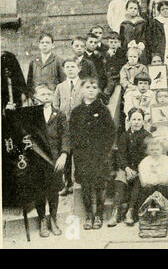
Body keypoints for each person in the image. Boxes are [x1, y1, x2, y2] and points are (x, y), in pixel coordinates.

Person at [69, 77, 115, 230]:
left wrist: (104, 151)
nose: (90, 90)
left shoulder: (103, 110)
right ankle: (89, 215)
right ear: (82, 90)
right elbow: (72, 133)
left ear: (98, 91)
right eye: (88, 87)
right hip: (82, 155)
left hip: (99, 155)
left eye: (94, 87)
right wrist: (78, 150)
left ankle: (99, 216)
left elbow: (110, 132)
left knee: (100, 185)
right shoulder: (76, 111)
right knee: (86, 185)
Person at [33, 84, 70, 237]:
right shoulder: (31, 115)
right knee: (39, 190)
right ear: (35, 97)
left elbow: (66, 136)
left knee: (53, 190)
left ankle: (53, 219)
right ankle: (42, 219)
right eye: (42, 94)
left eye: (48, 94)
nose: (46, 96)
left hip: (55, 158)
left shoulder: (59, 114)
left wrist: (64, 154)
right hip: (37, 158)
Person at [107, 108, 151, 227]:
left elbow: (146, 157)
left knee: (138, 183)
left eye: (139, 119)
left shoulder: (147, 136)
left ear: (143, 121)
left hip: (140, 170)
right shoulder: (124, 136)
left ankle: (130, 212)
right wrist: (126, 168)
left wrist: (137, 170)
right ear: (129, 121)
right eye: (134, 119)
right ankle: (116, 212)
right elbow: (120, 154)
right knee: (120, 180)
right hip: (126, 168)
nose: (136, 122)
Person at [53, 58, 84, 196]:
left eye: (73, 66)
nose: (70, 69)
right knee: (66, 154)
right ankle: (67, 184)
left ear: (79, 68)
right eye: (68, 67)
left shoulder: (85, 85)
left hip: (80, 126)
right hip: (64, 127)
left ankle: (79, 183)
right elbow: (55, 106)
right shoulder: (60, 87)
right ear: (64, 70)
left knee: (79, 155)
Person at [135, 136, 168, 211]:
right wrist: (152, 181)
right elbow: (144, 178)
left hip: (163, 185)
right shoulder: (145, 162)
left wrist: (157, 174)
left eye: (157, 149)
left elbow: (167, 176)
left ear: (162, 149)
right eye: (152, 150)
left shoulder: (166, 160)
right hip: (149, 185)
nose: (155, 151)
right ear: (147, 151)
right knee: (144, 192)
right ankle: (144, 214)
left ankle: (165, 213)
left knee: (164, 190)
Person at [149, 0, 168, 66]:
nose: (165, 11)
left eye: (167, 8)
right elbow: (152, 37)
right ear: (159, 11)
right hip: (160, 48)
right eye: (162, 9)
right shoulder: (155, 22)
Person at [119, 0, 149, 65]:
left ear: (138, 10)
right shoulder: (124, 24)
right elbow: (122, 38)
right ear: (127, 9)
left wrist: (142, 43)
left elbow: (146, 36)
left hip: (141, 50)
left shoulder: (143, 23)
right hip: (128, 50)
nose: (133, 10)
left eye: (135, 8)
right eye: (131, 8)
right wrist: (127, 44)